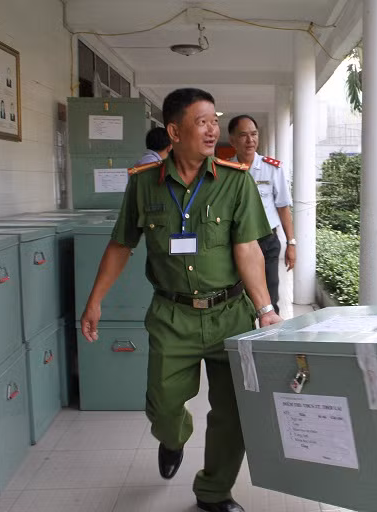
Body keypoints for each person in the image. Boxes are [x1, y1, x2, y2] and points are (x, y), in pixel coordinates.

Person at [80, 88, 279, 512]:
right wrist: (95, 300)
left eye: (214, 121)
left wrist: (265, 309)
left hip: (230, 314)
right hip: (172, 316)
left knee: (233, 414)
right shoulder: (143, 184)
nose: (212, 131)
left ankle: (213, 492)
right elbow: (121, 245)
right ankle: (172, 439)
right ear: (174, 131)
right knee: (164, 406)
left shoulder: (235, 180)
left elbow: (248, 248)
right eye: (201, 122)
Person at [228, 115, 296, 315]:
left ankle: (271, 334)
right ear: (232, 140)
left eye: (254, 134)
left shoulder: (272, 168)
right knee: (239, 298)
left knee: (270, 300)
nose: (250, 140)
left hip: (267, 241)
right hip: (236, 242)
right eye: (243, 135)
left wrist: (291, 243)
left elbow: (283, 207)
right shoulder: (225, 171)